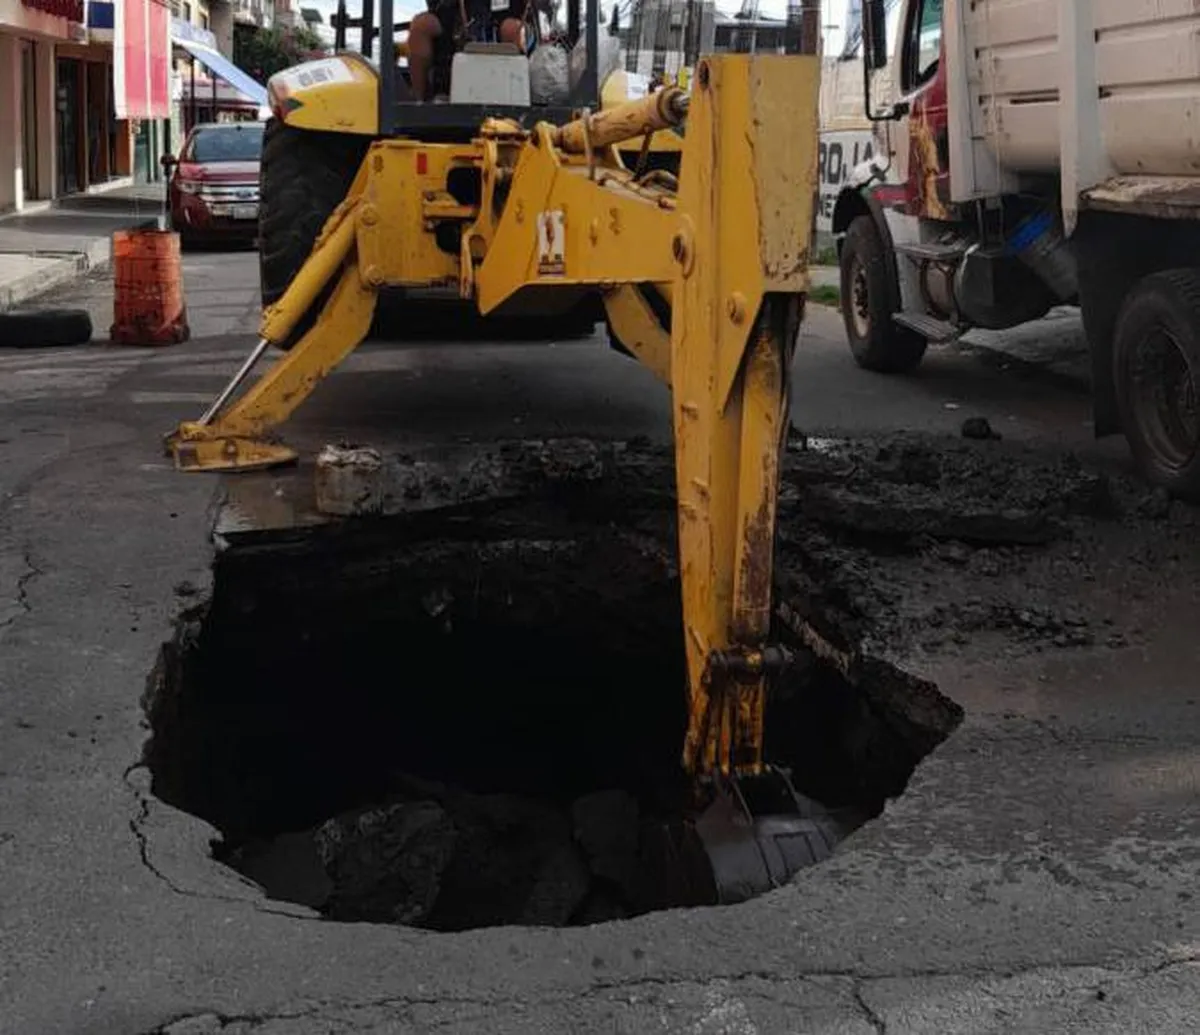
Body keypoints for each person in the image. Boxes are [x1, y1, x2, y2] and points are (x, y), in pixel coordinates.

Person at [407, 0, 527, 101]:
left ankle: (517, 99)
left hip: (508, 18)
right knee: (421, 25)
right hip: (454, 19)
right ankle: (421, 102)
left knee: (511, 28)